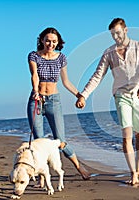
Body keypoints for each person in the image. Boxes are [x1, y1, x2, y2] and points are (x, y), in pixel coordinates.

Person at [76, 18, 139, 185]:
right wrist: (84, 95)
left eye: (118, 32)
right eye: (112, 34)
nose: (116, 37)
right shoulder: (108, 53)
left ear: (126, 30)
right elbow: (97, 76)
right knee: (126, 137)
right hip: (121, 96)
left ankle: (138, 162)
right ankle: (133, 172)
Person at [27, 27, 91, 181]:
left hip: (54, 101)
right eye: (48, 40)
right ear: (42, 40)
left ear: (58, 42)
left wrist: (79, 95)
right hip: (36, 100)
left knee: (60, 141)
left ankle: (79, 167)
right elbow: (34, 75)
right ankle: (43, 177)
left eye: (54, 41)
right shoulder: (34, 56)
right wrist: (36, 91)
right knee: (39, 141)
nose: (51, 44)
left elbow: (66, 81)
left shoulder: (61, 58)